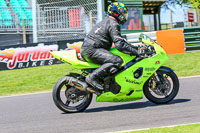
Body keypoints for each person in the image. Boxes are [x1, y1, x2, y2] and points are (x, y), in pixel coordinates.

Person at [80, 2, 140, 91]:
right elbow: (120, 45)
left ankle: (108, 83)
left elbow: (121, 42)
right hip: (92, 50)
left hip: (89, 49)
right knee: (117, 61)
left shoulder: (107, 21)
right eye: (123, 13)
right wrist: (137, 52)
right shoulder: (113, 24)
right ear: (117, 12)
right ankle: (92, 77)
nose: (124, 16)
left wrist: (135, 48)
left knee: (113, 62)